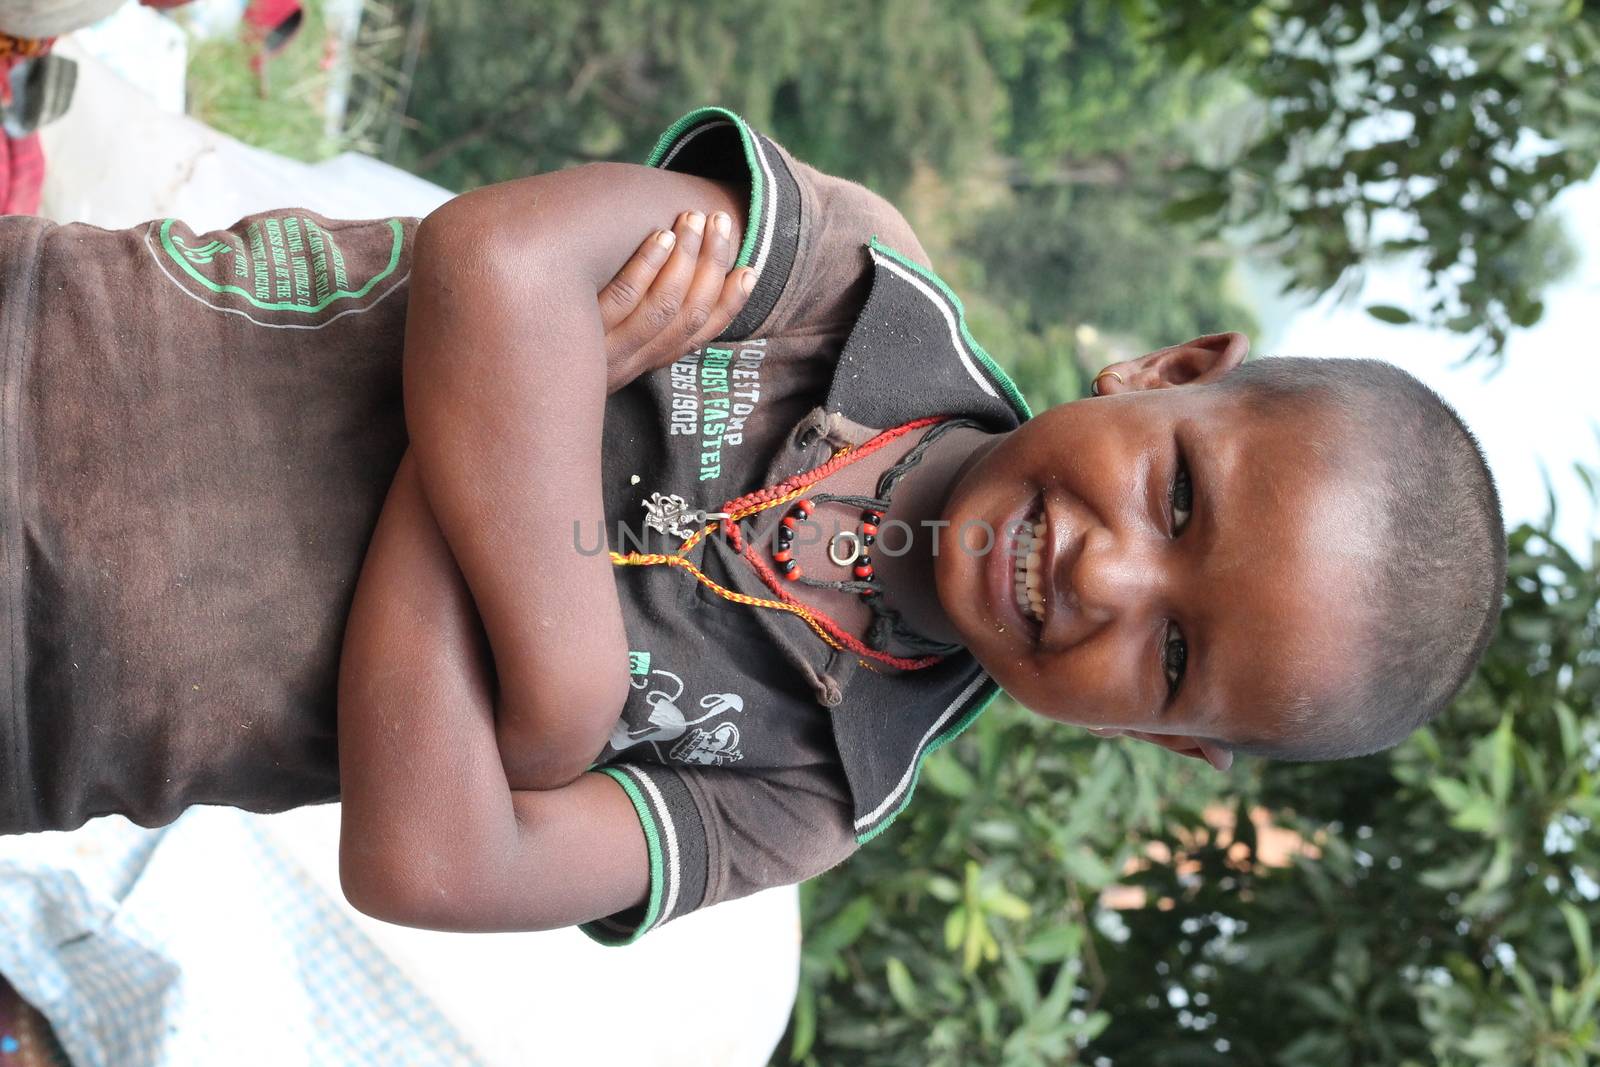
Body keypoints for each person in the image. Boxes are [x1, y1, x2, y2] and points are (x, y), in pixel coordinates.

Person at [0, 107, 1505, 947]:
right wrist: (564, 683)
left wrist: (515, 405)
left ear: (1167, 744)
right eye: (1180, 497)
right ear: (1169, 372)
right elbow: (494, 262)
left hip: (43, 728)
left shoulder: (811, 795)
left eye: (1177, 654)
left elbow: (433, 868)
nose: (1110, 570)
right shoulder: (853, 277)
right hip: (52, 356)